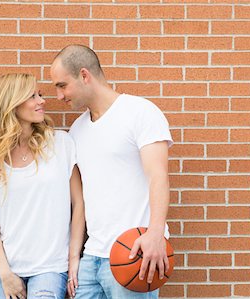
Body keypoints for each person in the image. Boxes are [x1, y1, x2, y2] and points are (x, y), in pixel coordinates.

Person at [50, 45, 172, 299]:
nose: (59, 96)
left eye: (62, 85)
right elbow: (81, 199)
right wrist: (76, 257)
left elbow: (158, 176)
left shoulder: (140, 112)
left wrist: (155, 234)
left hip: (134, 253)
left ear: (85, 75)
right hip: (92, 256)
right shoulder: (78, 129)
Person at [0, 73, 85, 299]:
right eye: (32, 96)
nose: (42, 100)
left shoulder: (60, 144)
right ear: (12, 104)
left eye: (40, 94)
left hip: (50, 268)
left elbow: (79, 203)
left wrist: (74, 260)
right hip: (4, 269)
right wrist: (5, 274)